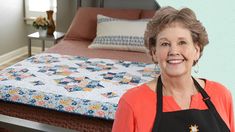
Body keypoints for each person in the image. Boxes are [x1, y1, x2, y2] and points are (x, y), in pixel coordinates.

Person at [112, 6, 234, 132]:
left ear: (196, 50)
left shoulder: (221, 95)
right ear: (154, 53)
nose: (174, 51)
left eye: (182, 42)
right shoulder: (132, 103)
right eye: (165, 44)